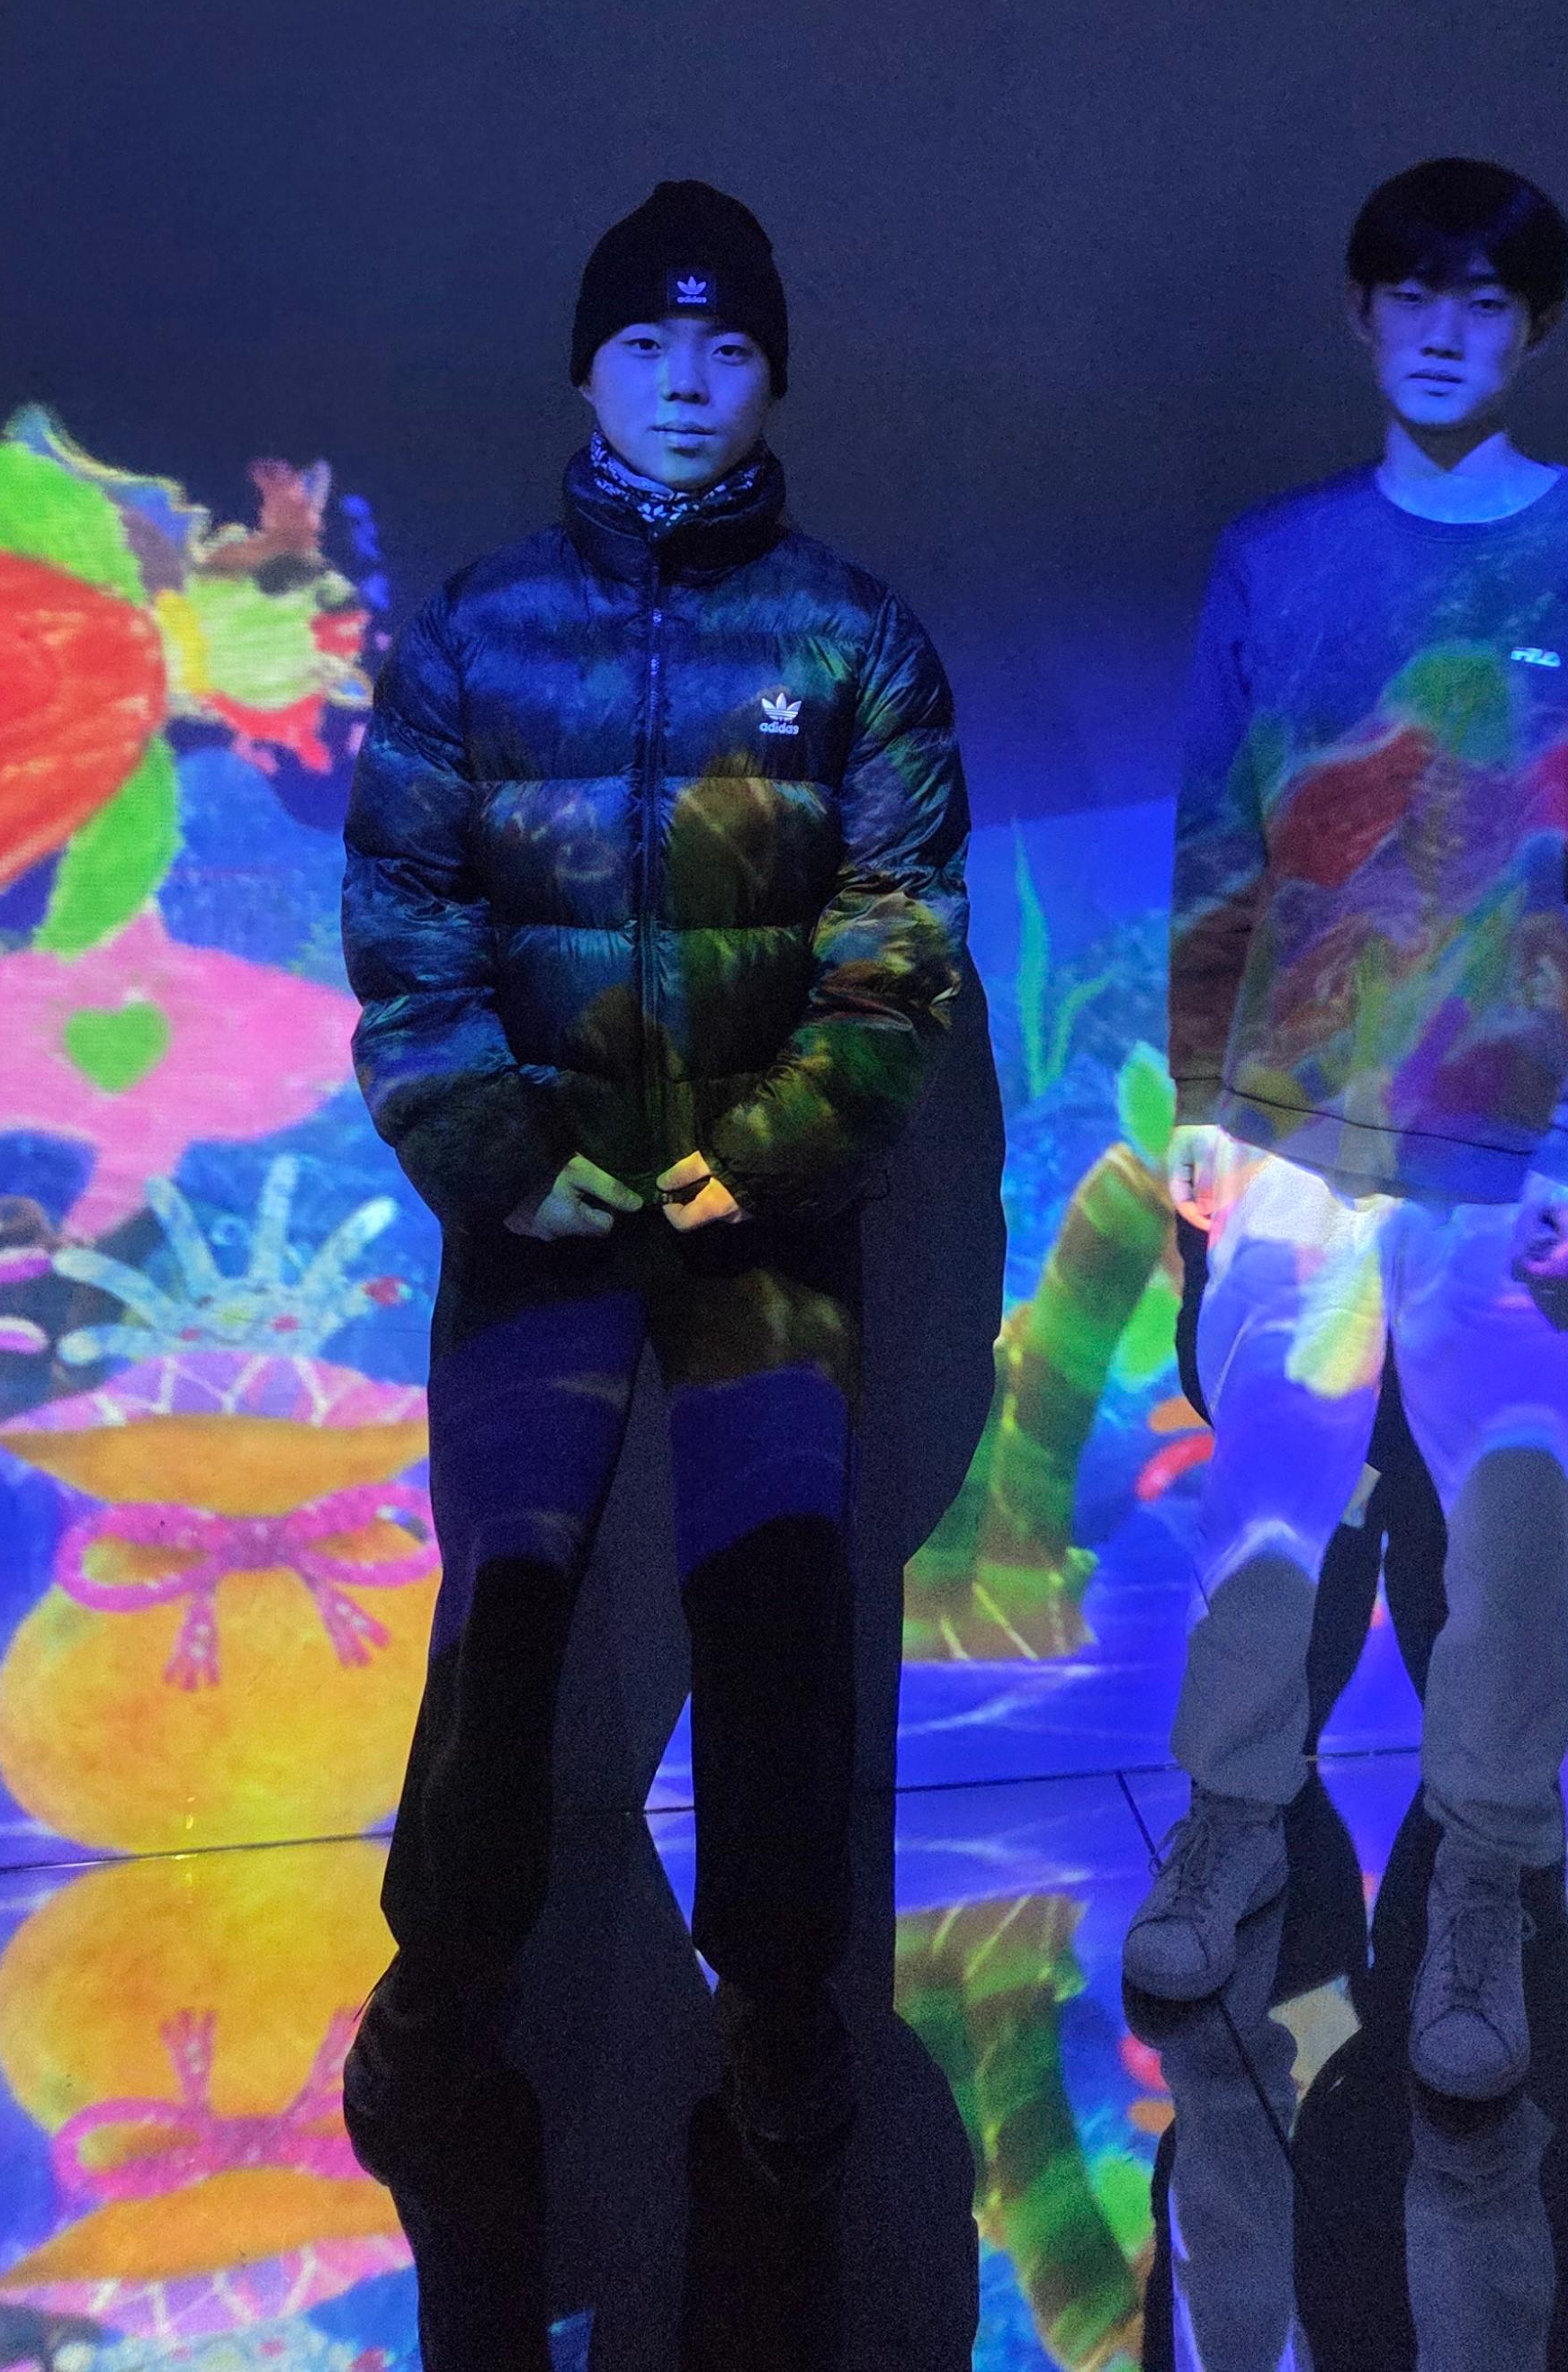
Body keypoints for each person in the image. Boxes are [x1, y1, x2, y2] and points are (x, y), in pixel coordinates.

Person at [339, 179, 971, 2195]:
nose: (685, 381)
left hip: (761, 1224)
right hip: (534, 1215)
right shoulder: (478, 630)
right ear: (586, 370)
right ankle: (448, 1967)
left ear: (772, 374)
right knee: (505, 1601)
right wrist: (499, 1154)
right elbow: (408, 923)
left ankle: (780, 1991)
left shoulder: (855, 636)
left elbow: (897, 944)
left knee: (778, 1601)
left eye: (726, 345)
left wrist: (768, 1152)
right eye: (645, 343)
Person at [1121, 158, 1568, 2103]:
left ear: (1536, 331)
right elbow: (1218, 849)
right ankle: (1229, 1826)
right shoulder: (1275, 560)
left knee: (1512, 1539)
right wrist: (1204, 1106)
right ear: (1362, 310)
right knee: (1268, 1508)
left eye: (1487, 302)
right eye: (1414, 294)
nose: (1446, 331)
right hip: (1294, 1138)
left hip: (1517, 1156)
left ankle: (1483, 1885)